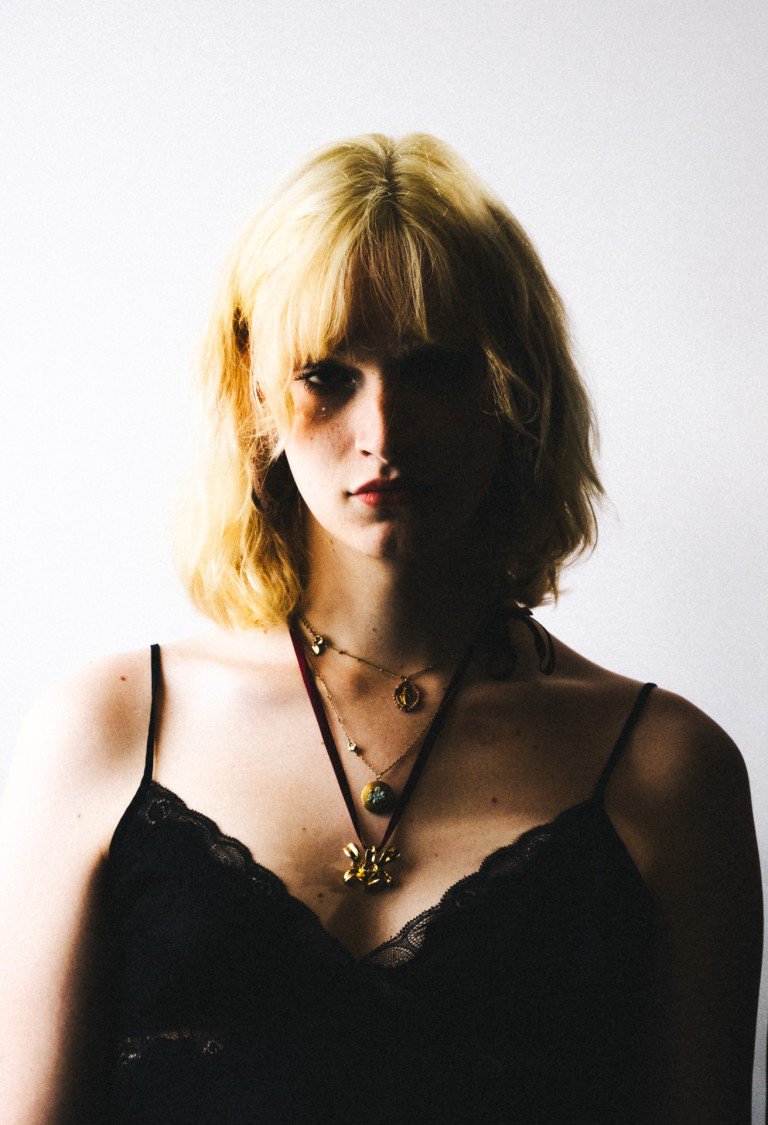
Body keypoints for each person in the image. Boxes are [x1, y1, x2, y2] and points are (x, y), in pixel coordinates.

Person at [0, 133, 762, 1125]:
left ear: (512, 389)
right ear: (256, 393)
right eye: (327, 374)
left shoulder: (668, 770)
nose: (384, 435)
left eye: (436, 371)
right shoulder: (106, 733)